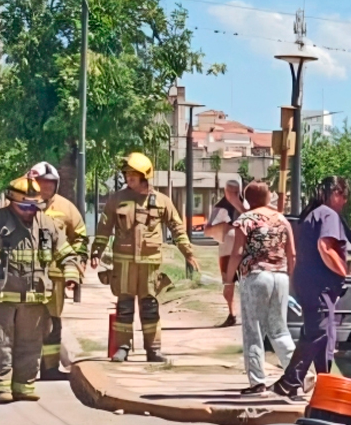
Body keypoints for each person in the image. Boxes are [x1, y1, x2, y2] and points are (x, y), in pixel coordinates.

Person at [0, 176, 81, 403]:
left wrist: (71, 275)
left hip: (34, 299)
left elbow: (67, 253)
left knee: (30, 345)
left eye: (35, 205)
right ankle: (0, 388)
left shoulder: (47, 226)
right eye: (25, 206)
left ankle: (24, 386)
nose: (30, 210)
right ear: (11, 201)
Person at [89, 152, 199, 363]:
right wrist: (96, 252)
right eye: (127, 174)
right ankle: (122, 347)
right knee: (125, 306)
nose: (129, 178)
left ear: (145, 176)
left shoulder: (162, 201)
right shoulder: (117, 199)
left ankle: (153, 349)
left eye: (134, 174)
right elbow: (104, 228)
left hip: (150, 265)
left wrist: (188, 253)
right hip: (124, 264)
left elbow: (177, 227)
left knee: (149, 307)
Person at [271, 176, 351, 400]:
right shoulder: (328, 214)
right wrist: (342, 270)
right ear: (335, 193)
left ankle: (325, 385)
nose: (344, 202)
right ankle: (289, 382)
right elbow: (325, 247)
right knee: (319, 333)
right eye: (343, 196)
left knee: (320, 335)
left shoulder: (312, 215)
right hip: (320, 286)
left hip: (306, 282)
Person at [224, 181, 296, 394]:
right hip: (280, 276)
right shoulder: (282, 219)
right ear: (267, 198)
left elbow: (237, 252)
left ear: (248, 200)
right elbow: (292, 253)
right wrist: (290, 275)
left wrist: (229, 281)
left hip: (256, 276)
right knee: (279, 329)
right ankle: (297, 375)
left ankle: (257, 381)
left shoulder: (245, 220)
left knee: (253, 329)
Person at [27, 161, 89, 380]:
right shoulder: (20, 204)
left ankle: (50, 368)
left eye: (51, 183)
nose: (47, 187)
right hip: (25, 276)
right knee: (24, 322)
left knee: (52, 321)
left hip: (55, 277)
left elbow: (80, 236)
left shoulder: (66, 208)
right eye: (43, 182)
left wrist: (78, 262)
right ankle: (22, 368)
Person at [204, 179, 246, 327]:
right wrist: (223, 227)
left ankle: (248, 315)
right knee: (229, 285)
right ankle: (231, 314)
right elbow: (208, 230)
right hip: (227, 251)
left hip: (245, 251)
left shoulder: (246, 206)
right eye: (230, 191)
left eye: (236, 192)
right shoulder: (220, 208)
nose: (233, 195)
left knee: (247, 285)